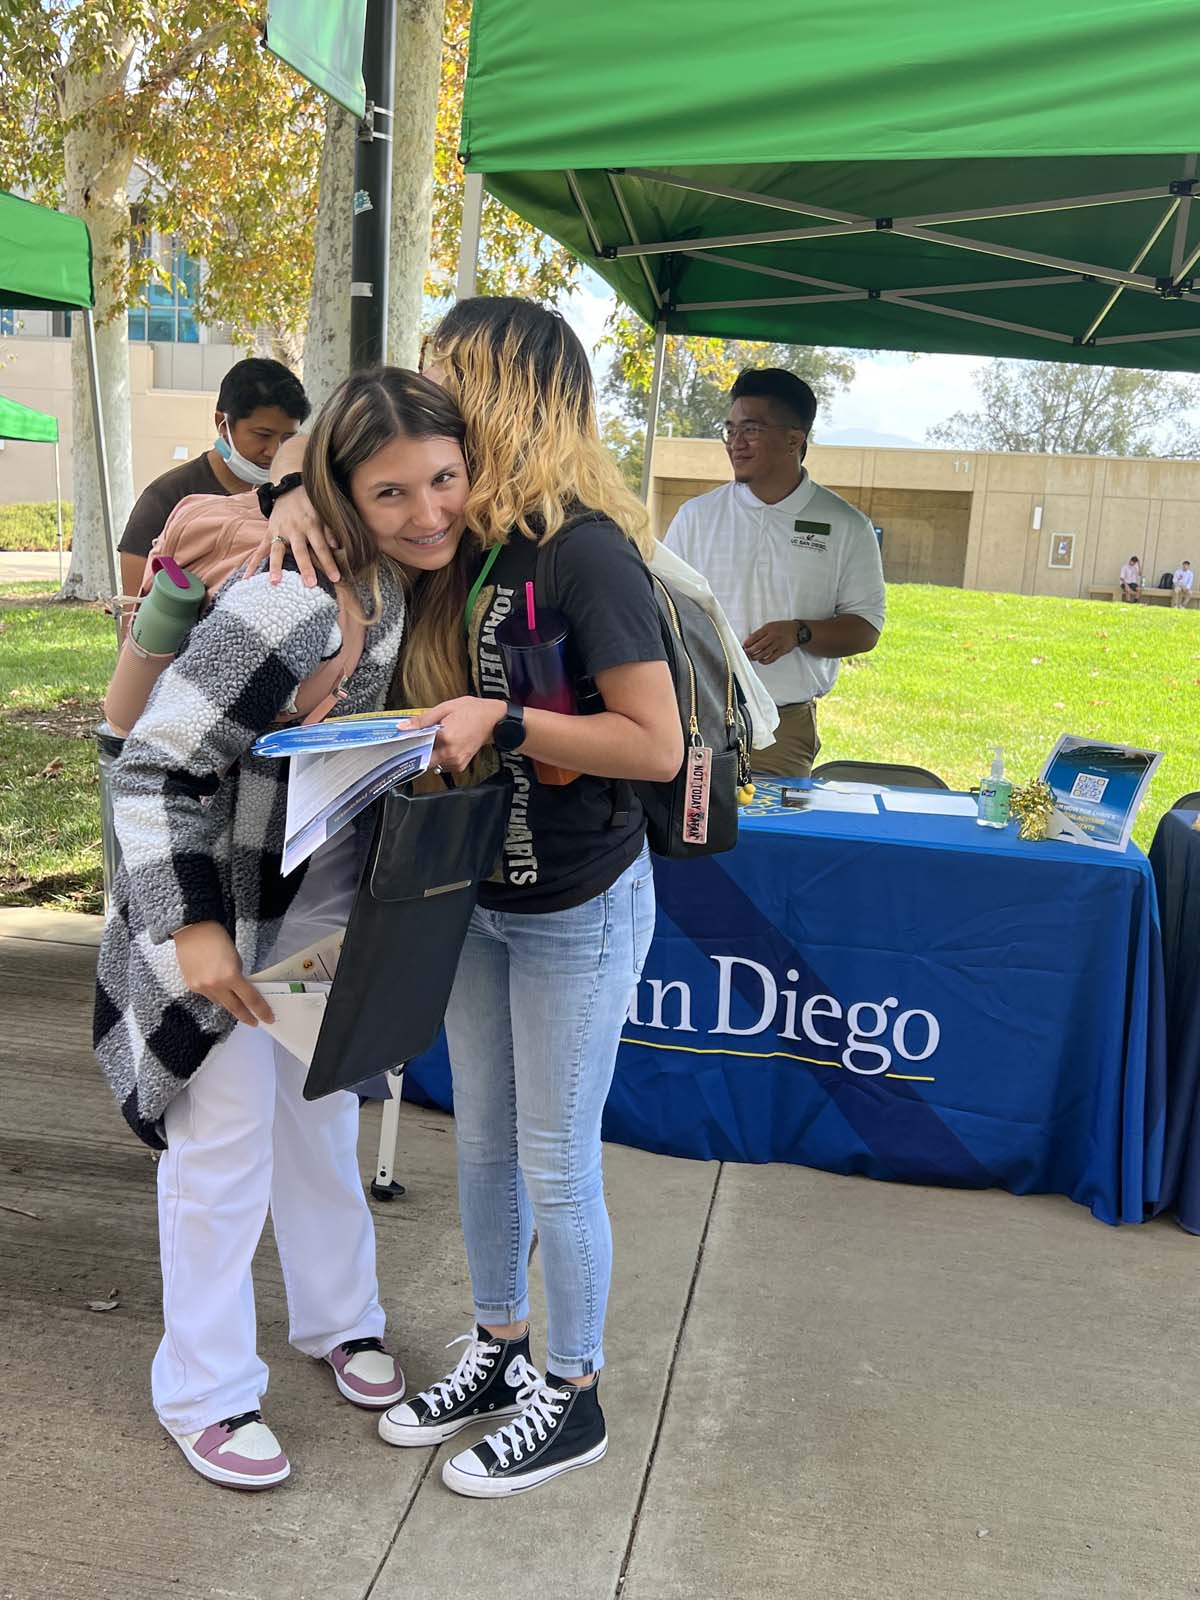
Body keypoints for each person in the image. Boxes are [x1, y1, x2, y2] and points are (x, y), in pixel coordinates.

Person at [266, 296, 683, 1499]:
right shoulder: (472, 544)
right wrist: (288, 492)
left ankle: (577, 1391)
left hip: (578, 907)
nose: (429, 389)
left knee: (556, 1159)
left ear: (503, 392)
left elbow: (653, 746)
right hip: (479, 896)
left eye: (449, 372)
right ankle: (502, 1352)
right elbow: (341, 448)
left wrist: (505, 719)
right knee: (485, 1151)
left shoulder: (586, 549)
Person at [93, 368, 476, 1490]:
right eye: (393, 492)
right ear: (346, 498)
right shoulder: (290, 599)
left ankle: (338, 1318)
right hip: (218, 910)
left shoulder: (399, 580)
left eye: (443, 480)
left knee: (320, 1122)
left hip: (317, 908)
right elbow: (153, 766)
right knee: (220, 1152)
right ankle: (205, 1390)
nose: (429, 511)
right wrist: (194, 936)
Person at [663, 368, 885, 778]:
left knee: (770, 840)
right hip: (695, 719)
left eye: (751, 429)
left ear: (793, 440)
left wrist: (799, 632)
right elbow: (662, 610)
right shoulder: (696, 517)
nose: (735, 443)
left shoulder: (845, 525)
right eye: (729, 430)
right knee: (687, 839)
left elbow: (865, 629)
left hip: (782, 731)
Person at [116, 356, 309, 596]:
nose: (274, 451)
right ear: (222, 423)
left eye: (287, 439)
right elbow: (134, 617)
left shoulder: (295, 495)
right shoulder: (165, 499)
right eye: (262, 434)